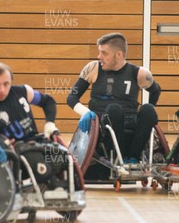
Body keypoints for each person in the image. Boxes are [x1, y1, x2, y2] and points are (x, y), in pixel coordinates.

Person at [67, 32, 162, 163]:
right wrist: (85, 112)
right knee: (114, 109)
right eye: (99, 52)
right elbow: (72, 97)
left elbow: (156, 90)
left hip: (131, 126)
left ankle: (133, 157)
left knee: (148, 110)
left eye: (104, 53)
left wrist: (151, 107)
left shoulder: (139, 73)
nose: (99, 56)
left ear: (118, 54)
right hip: (103, 127)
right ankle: (120, 157)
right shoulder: (93, 68)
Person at [0, 62, 59, 142]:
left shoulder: (23, 92)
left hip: (37, 145)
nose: (2, 90)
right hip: (12, 153)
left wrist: (50, 124)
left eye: (6, 84)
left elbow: (48, 101)